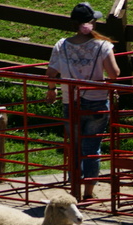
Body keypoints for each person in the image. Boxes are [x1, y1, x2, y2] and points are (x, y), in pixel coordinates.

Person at [45, 2, 120, 201]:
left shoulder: (61, 45)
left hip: (71, 101)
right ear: (91, 24)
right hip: (96, 101)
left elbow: (51, 72)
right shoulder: (103, 45)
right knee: (92, 148)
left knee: (75, 147)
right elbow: (114, 74)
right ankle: (88, 191)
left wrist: (51, 91)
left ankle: (74, 189)